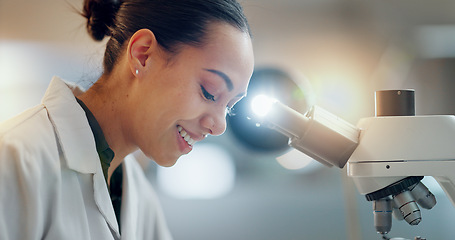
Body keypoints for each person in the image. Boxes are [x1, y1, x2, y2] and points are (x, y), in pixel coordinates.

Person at [0, 0, 254, 239]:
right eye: (210, 91)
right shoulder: (15, 160)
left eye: (230, 106)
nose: (220, 126)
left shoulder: (138, 196)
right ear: (143, 55)